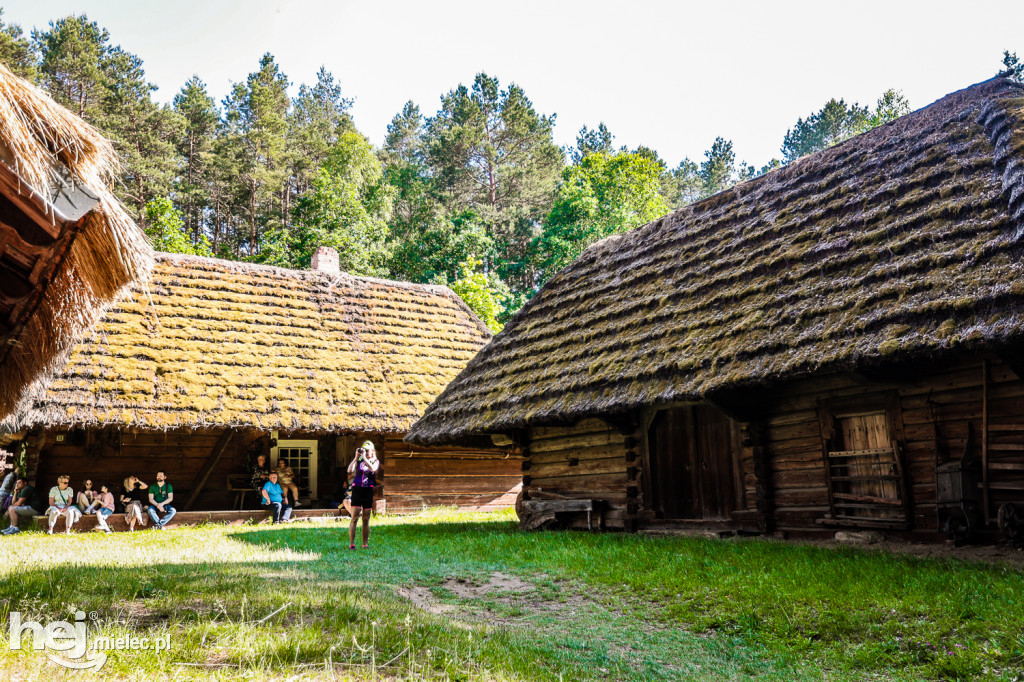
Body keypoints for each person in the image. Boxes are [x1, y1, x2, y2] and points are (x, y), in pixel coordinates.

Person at [347, 441, 380, 549]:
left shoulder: (375, 461)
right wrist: (356, 458)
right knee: (354, 518)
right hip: (357, 489)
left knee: (366, 518)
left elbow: (372, 469)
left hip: (368, 490)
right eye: (363, 449)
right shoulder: (359, 460)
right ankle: (352, 544)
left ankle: (365, 544)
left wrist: (365, 458)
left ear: (372, 450)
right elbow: (349, 470)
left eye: (367, 450)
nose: (365, 451)